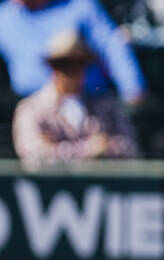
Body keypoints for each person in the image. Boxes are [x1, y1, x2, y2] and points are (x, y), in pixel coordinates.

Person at [0, 0, 144, 103]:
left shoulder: (79, 6)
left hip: (87, 103)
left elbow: (112, 45)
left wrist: (132, 90)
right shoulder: (5, 18)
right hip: (29, 106)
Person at [12, 29, 138, 163]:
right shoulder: (31, 109)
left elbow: (131, 147)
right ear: (52, 67)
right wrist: (88, 149)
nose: (70, 71)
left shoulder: (106, 106)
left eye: (78, 64)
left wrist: (107, 146)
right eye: (63, 64)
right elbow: (35, 154)